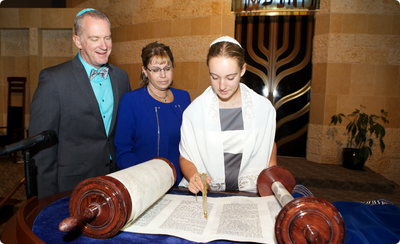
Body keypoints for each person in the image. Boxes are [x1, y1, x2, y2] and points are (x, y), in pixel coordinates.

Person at [29, 9, 131, 199]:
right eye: (95, 38)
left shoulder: (121, 78)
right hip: (71, 187)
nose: (103, 45)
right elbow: (42, 152)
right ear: (78, 41)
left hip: (115, 181)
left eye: (107, 38)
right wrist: (48, 202)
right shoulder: (53, 80)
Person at [179, 36, 277, 194]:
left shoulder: (263, 108)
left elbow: (268, 143)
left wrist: (271, 172)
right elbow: (186, 157)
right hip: (211, 193)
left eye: (230, 78)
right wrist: (194, 176)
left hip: (250, 192)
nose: (222, 86)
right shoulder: (195, 111)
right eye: (214, 77)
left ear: (242, 70)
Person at [114, 41, 191, 185]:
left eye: (167, 68)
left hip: (181, 183)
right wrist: (143, 178)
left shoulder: (183, 98)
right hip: (144, 183)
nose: (163, 75)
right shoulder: (131, 100)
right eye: (155, 69)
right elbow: (123, 150)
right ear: (145, 70)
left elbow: (192, 144)